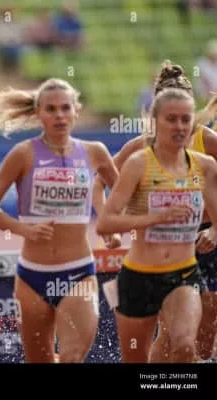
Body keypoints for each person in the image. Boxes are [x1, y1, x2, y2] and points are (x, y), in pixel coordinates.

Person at [0, 78, 119, 363]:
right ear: (38, 113)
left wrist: (109, 224)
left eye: (66, 108)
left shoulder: (94, 152)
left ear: (77, 110)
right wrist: (23, 229)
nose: (59, 116)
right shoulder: (23, 154)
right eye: (51, 109)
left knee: (72, 357)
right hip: (32, 276)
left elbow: (121, 196)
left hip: (78, 272)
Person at [93, 61, 217, 362]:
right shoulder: (138, 153)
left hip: (202, 246)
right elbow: (99, 187)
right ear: (157, 114)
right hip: (153, 254)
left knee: (199, 343)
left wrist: (214, 230)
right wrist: (117, 229)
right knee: (169, 337)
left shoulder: (207, 149)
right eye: (171, 117)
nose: (180, 126)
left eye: (185, 117)